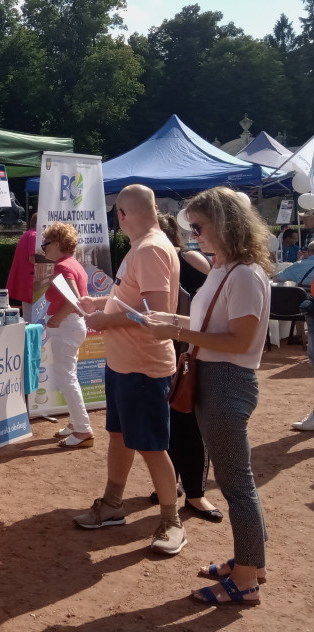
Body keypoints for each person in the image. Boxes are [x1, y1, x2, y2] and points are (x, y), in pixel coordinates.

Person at [142, 186, 271, 604]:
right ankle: (251, 563)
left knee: (237, 486)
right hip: (215, 379)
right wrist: (171, 320)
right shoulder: (227, 269)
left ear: (225, 224)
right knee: (237, 482)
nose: (193, 234)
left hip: (226, 382)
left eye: (198, 226)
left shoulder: (244, 273)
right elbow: (212, 326)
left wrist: (176, 330)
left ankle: (246, 579)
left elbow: (239, 340)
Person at [76, 184, 186, 556]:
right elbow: (132, 299)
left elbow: (156, 315)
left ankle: (172, 521)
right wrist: (101, 304)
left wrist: (107, 320)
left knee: (151, 447)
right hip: (125, 363)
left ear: (122, 215)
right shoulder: (145, 246)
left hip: (142, 365)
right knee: (120, 437)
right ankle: (112, 505)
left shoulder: (150, 248)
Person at [152, 213, 221, 521]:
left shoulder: (189, 258)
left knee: (190, 423)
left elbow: (210, 309)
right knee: (166, 423)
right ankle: (170, 484)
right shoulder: (149, 262)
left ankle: (195, 493)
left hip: (190, 354)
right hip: (161, 354)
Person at [41, 222, 93, 448]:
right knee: (68, 376)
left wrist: (56, 319)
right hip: (72, 325)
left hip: (67, 326)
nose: (44, 249)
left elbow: (74, 298)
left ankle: (82, 429)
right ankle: (76, 423)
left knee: (67, 378)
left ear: (57, 243)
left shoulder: (62, 266)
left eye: (46, 244)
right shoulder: (72, 263)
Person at [6, 213, 38, 319]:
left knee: (28, 315)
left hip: (26, 281)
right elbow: (33, 259)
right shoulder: (34, 236)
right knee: (33, 317)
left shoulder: (26, 234)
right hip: (32, 282)